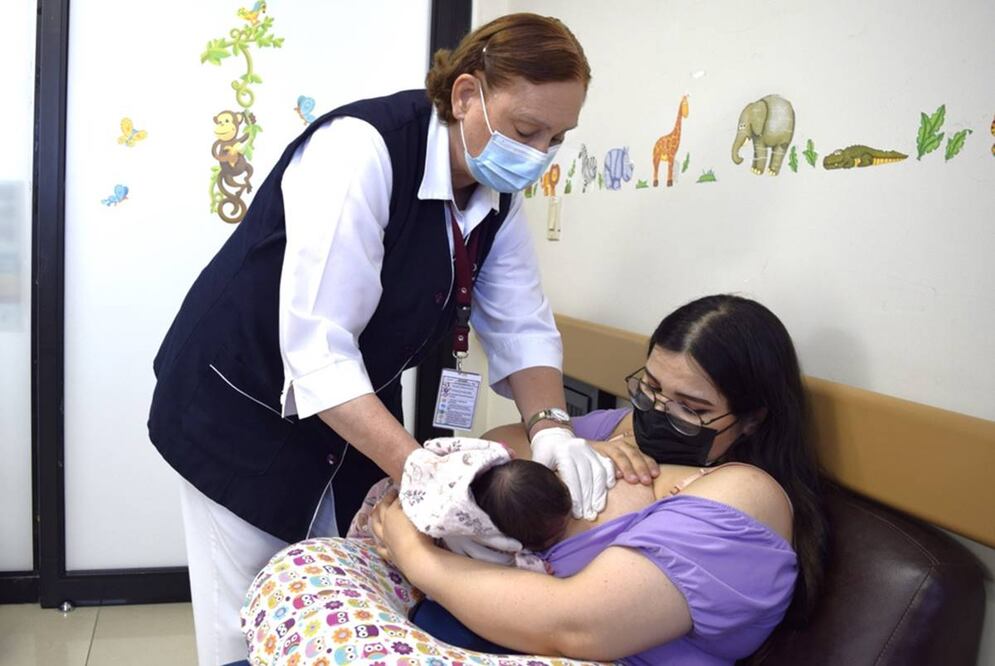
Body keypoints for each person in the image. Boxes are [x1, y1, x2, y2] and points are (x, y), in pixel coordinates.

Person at [147, 13, 614, 665]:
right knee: (247, 620)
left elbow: (522, 325)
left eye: (555, 139)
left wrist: (553, 428)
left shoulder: (495, 198)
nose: (536, 156)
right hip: (240, 406)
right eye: (525, 130)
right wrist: (419, 467)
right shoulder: (359, 151)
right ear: (464, 96)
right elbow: (318, 350)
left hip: (349, 411)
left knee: (331, 596)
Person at [371, 295, 829, 665]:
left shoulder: (745, 494)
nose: (657, 413)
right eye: (650, 388)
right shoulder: (619, 430)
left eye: (691, 408)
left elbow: (577, 625)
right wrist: (571, 445)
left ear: (751, 419)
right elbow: (495, 448)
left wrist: (415, 555)